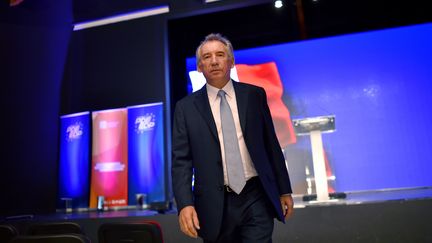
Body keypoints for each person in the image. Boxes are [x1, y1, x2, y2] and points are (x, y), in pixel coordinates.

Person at [172, 33, 294, 243]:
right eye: (207, 57)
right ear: (199, 66)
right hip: (212, 204)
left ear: (231, 61)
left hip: (255, 196)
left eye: (220, 55)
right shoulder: (185, 108)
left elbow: (270, 145)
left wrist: (284, 189)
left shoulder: (254, 96)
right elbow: (181, 161)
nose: (214, 61)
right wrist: (184, 204)